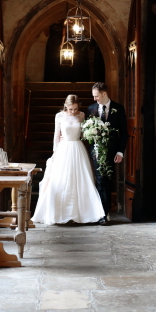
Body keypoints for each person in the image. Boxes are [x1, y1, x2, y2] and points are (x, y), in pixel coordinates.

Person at [31, 94, 106, 225]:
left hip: (78, 147)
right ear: (65, 106)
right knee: (61, 180)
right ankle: (60, 213)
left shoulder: (82, 115)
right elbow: (56, 135)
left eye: (75, 109)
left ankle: (84, 213)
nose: (73, 111)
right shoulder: (59, 116)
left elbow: (83, 134)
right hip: (63, 149)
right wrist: (55, 152)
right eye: (71, 109)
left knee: (81, 179)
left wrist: (91, 132)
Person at [88, 82, 128, 225]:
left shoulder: (118, 108)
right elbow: (86, 131)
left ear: (104, 94)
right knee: (100, 181)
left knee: (106, 180)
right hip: (97, 152)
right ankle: (102, 214)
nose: (95, 99)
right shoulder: (91, 109)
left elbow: (124, 133)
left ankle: (105, 212)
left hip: (112, 151)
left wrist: (120, 152)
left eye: (96, 96)